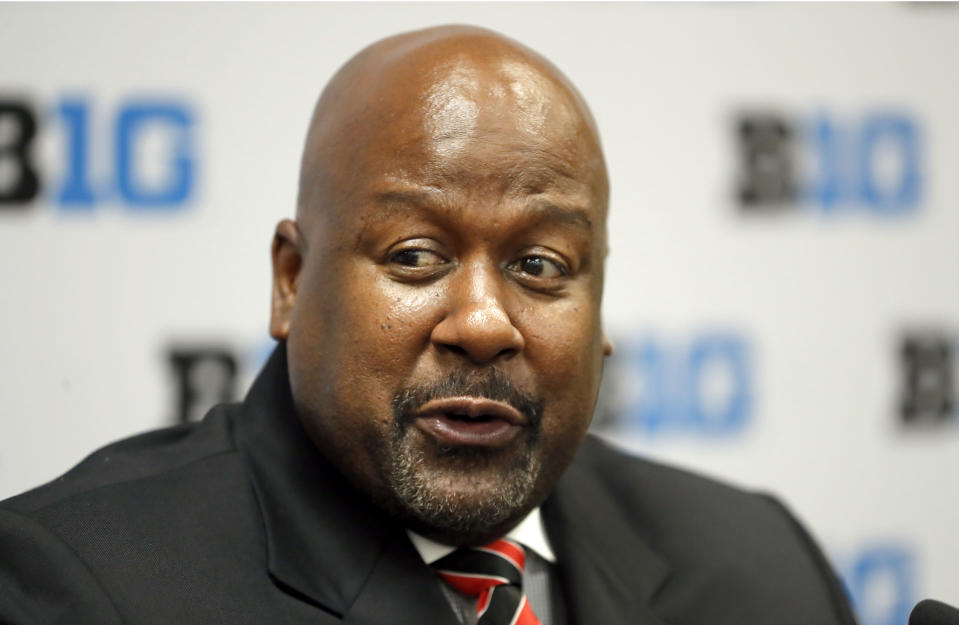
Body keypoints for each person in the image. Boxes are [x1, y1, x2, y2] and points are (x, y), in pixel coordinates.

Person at [0, 25, 858, 625]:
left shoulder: (761, 564)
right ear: (291, 281)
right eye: (415, 255)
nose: (483, 323)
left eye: (539, 266)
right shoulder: (77, 585)